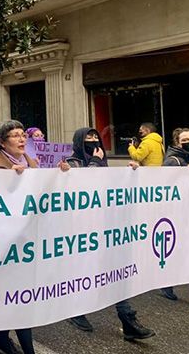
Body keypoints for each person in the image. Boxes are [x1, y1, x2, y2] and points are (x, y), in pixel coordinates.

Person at [65, 127, 155, 340]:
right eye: (88, 137)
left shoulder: (103, 163)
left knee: (115, 271)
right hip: (81, 230)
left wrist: (132, 172)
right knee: (84, 272)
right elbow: (81, 186)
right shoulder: (71, 163)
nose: (93, 140)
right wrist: (95, 163)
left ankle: (127, 318)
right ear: (79, 141)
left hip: (105, 228)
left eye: (95, 136)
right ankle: (76, 311)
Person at [0, 120, 36, 354]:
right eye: (15, 135)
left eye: (23, 134)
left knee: (19, 297)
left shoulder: (33, 164)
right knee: (19, 297)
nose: (21, 139)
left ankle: (1, 338)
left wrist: (61, 174)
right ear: (2, 142)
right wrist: (10, 183)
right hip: (5, 244)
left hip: (28, 241)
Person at [159, 127, 189, 310]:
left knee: (184, 251)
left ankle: (166, 283)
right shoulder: (173, 161)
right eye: (185, 140)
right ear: (177, 142)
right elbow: (164, 187)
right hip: (182, 215)